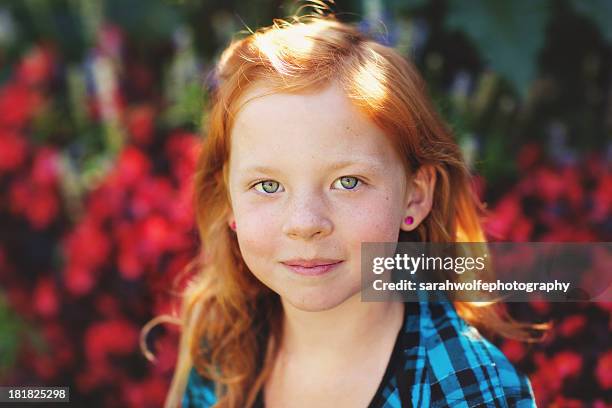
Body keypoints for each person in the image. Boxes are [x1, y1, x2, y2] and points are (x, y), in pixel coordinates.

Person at [146, 12, 546, 408]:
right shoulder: (223, 343)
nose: (305, 224)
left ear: (415, 196)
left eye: (348, 182)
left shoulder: (467, 391)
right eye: (268, 186)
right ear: (229, 197)